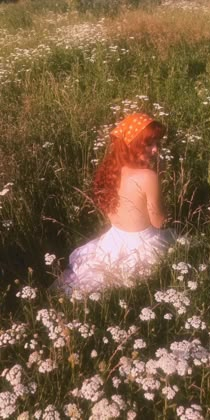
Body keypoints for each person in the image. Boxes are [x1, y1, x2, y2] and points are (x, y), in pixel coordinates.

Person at [53, 113, 176, 295]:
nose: (156, 150)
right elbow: (159, 222)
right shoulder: (148, 177)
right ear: (132, 145)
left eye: (158, 143)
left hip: (114, 239)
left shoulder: (112, 169)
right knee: (179, 240)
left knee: (91, 272)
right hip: (142, 244)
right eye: (149, 144)